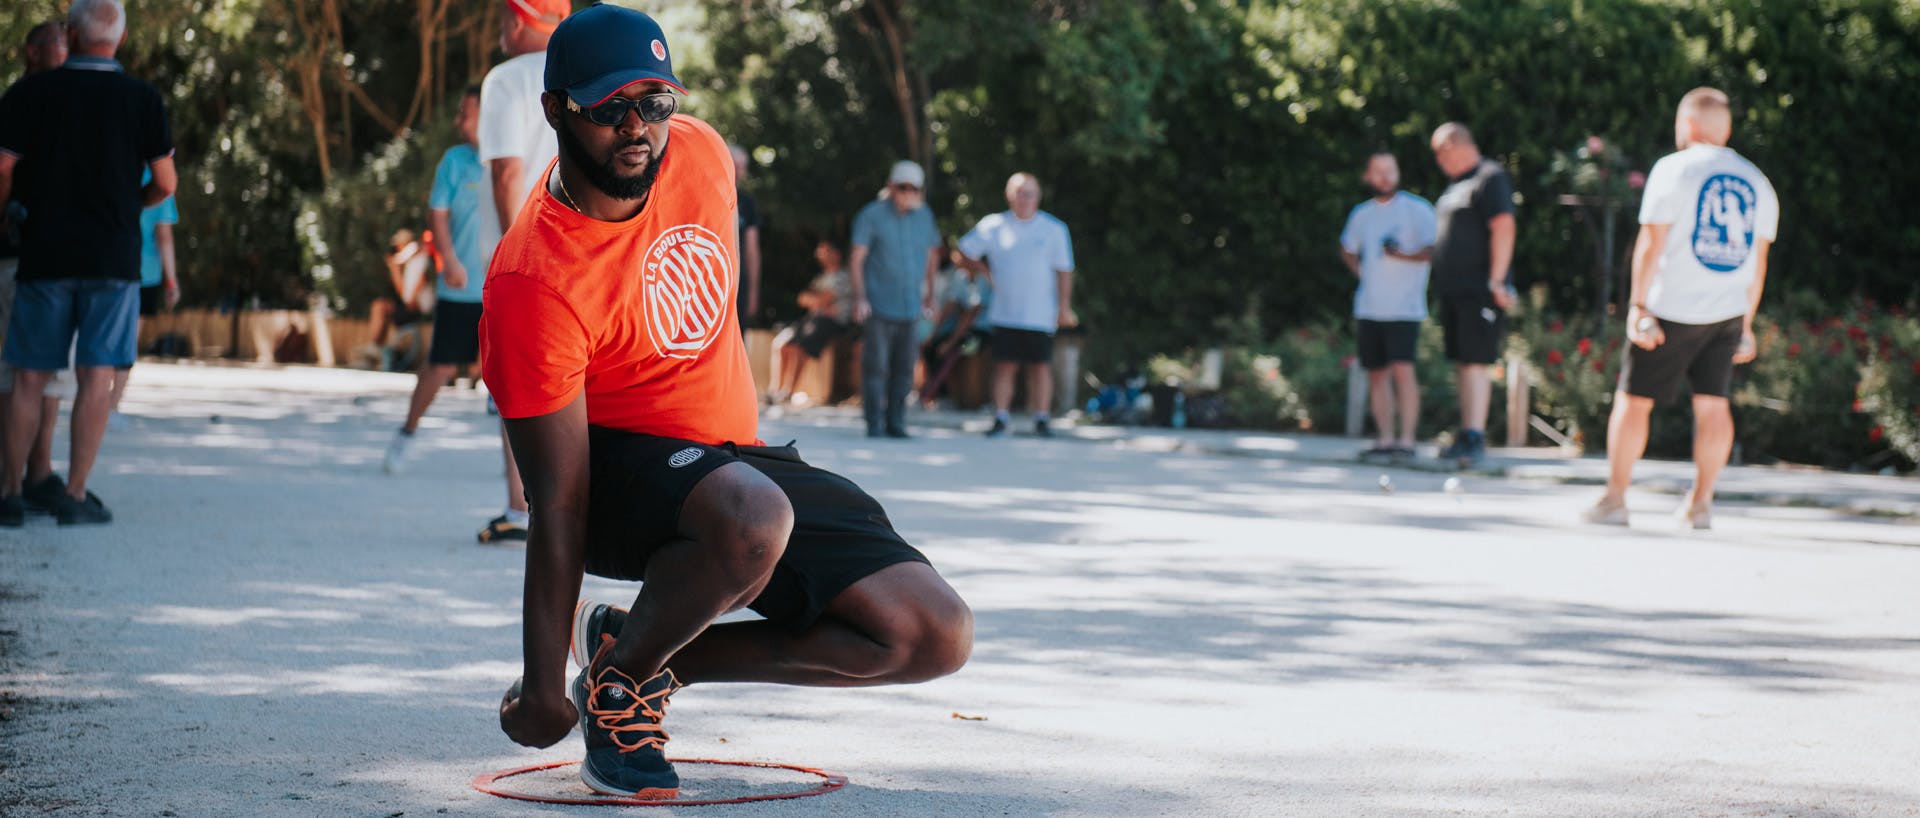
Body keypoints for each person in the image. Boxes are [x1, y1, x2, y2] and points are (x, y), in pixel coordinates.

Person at [482, 5, 971, 799]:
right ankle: (617, 693)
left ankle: (633, 654)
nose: (637, 127)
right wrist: (540, 682)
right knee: (752, 518)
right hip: (615, 477)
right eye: (609, 107)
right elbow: (559, 502)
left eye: (655, 102)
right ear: (555, 110)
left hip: (729, 462)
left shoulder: (702, 155)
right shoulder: (532, 281)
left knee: (928, 635)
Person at [0, 0, 174, 526]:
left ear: (71, 36)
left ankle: (9, 494)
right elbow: (165, 184)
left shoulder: (31, 93)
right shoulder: (143, 99)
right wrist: (130, 206)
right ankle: (74, 495)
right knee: (96, 378)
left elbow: (3, 168)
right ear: (118, 40)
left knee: (29, 378)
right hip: (113, 258)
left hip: (45, 253)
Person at [1585, 88, 1777, 531]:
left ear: (1687, 125)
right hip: (1727, 310)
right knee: (1714, 406)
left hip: (1671, 307)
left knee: (1634, 403)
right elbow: (1758, 263)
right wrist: (1746, 324)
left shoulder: (1673, 169)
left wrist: (1637, 306)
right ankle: (1701, 504)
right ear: (1724, 128)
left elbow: (1652, 244)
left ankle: (1615, 500)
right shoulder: (1757, 180)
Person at [474, 0, 569, 544]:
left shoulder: (506, 80)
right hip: (581, 248)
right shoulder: (582, 76)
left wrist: (516, 253)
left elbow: (508, 172)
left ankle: (524, 504)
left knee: (516, 384)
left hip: (528, 252)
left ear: (518, 21)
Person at [384, 85, 499, 475]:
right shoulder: (454, 162)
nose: (458, 121)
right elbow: (437, 216)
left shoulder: (509, 160)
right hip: (462, 285)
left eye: (464, 113)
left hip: (505, 287)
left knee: (515, 373)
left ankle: (518, 474)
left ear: (488, 116)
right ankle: (406, 433)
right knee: (441, 367)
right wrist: (448, 260)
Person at [0, 20, 72, 523]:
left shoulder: (72, 98)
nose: (64, 51)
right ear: (32, 51)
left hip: (59, 255)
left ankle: (38, 473)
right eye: (55, 44)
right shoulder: (22, 98)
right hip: (19, 250)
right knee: (17, 370)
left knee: (47, 376)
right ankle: (13, 481)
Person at [958, 172, 1077, 438]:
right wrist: (984, 271)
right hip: (1005, 312)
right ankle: (1001, 417)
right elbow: (963, 251)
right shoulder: (994, 225)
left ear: (1038, 196)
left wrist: (1063, 306)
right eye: (1019, 193)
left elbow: (1064, 271)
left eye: (1029, 193)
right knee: (1004, 366)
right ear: (1009, 195)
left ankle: (1042, 418)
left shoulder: (1053, 229)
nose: (1024, 199)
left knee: (1040, 367)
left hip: (1040, 314)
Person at [1428, 122, 1516, 469]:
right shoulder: (1457, 184)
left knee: (1477, 362)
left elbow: (1504, 226)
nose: (1438, 161)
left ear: (1454, 145)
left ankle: (1476, 436)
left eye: (1440, 152)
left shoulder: (1489, 178)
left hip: (1481, 288)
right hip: (1455, 290)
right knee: (1463, 362)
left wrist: (1497, 281)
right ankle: (1465, 432)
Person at [1339, 152, 1436, 460]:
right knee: (1376, 375)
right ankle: (1385, 439)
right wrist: (1362, 273)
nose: (1384, 177)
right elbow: (1348, 248)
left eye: (1389, 171)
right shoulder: (1362, 214)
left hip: (1405, 308)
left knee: (1403, 371)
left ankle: (1406, 441)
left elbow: (1433, 250)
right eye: (1377, 172)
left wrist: (1402, 257)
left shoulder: (1418, 210)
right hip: (1370, 307)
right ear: (1368, 176)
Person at [849, 160, 941, 438]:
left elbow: (932, 255)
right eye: (903, 187)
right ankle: (874, 423)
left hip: (911, 305)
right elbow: (856, 259)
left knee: (905, 368)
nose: (908, 193)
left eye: (914, 188)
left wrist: (930, 295)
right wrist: (860, 298)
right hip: (878, 304)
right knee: (875, 366)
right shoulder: (871, 215)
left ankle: (897, 422)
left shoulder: (924, 216)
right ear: (891, 186)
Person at [106, 165, 181, 429]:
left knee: (104, 338)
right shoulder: (160, 178)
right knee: (127, 342)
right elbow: (164, 236)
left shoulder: (110, 168)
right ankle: (112, 406)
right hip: (144, 272)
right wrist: (171, 280)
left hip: (107, 267)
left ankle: (96, 402)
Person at [767, 239, 852, 406]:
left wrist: (816, 300)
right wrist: (817, 300)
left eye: (825, 250)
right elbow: (803, 299)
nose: (820, 254)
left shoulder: (843, 276)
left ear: (836, 254)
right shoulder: (821, 277)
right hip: (813, 320)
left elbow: (822, 299)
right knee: (782, 344)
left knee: (801, 347)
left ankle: (788, 391)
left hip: (831, 323)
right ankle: (775, 390)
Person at [919, 244, 991, 409]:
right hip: (961, 330)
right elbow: (950, 307)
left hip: (981, 332)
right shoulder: (960, 276)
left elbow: (971, 314)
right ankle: (942, 395)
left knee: (959, 349)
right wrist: (933, 334)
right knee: (932, 347)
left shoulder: (985, 279)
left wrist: (950, 343)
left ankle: (933, 393)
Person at [365, 229, 434, 372]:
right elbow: (404, 294)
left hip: (417, 308)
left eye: (400, 245)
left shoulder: (420, 259)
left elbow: (416, 289)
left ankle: (376, 348)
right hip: (410, 306)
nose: (397, 248)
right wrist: (395, 270)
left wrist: (411, 300)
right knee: (379, 307)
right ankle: (378, 348)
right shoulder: (409, 265)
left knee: (380, 307)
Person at [730, 143, 762, 331]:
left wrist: (753, 291)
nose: (738, 171)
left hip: (738, 282)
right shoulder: (707, 193)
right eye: (735, 165)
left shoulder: (747, 203)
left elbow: (752, 250)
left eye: (742, 166)